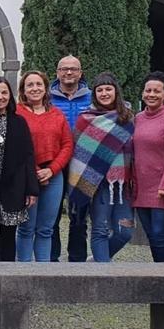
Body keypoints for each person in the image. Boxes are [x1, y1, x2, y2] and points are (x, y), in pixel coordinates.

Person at [0, 76, 38, 297]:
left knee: (8, 239)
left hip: (13, 188)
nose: (0, 97)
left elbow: (28, 157)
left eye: (4, 93)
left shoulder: (19, 122)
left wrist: (32, 189)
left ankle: (7, 288)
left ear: (9, 96)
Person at [67, 72, 135, 263]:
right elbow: (80, 155)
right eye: (100, 90)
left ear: (116, 91)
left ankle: (98, 261)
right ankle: (103, 275)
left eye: (108, 89)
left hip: (122, 185)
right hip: (97, 184)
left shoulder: (128, 118)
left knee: (125, 232)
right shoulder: (86, 119)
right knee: (100, 229)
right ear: (94, 94)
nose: (104, 93)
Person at [14, 70, 73, 262]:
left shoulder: (57, 115)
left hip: (53, 176)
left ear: (46, 88)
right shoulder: (16, 113)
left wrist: (52, 169)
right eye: (30, 85)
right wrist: (35, 171)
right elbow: (15, 147)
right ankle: (22, 274)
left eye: (39, 84)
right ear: (23, 89)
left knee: (46, 229)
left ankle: (43, 273)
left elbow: (67, 145)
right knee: (25, 228)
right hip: (26, 176)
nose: (35, 88)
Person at [131, 71, 164, 263]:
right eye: (148, 90)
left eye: (157, 91)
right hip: (141, 188)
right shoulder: (138, 118)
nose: (151, 94)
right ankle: (160, 277)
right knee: (152, 238)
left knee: (161, 236)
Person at [49, 55, 91, 262]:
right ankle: (52, 260)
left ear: (80, 73)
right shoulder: (46, 98)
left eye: (73, 69)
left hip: (83, 165)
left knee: (79, 217)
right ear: (57, 73)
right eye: (64, 69)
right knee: (52, 215)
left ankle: (77, 261)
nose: (68, 72)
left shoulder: (92, 98)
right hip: (55, 163)